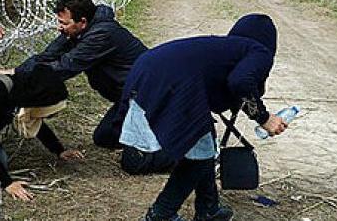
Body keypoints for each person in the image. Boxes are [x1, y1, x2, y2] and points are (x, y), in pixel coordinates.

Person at [117, 14, 288, 221]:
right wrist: (264, 118)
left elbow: (223, 90)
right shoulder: (259, 52)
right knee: (198, 155)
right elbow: (241, 82)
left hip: (146, 72)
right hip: (173, 85)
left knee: (203, 145)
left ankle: (209, 208)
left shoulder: (227, 49)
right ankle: (161, 213)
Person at [11, 0, 147, 148]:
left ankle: (161, 133)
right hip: (127, 97)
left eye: (64, 23)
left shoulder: (101, 35)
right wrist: (17, 72)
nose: (59, 27)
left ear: (82, 22)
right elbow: (48, 55)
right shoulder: (81, 30)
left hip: (143, 95)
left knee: (131, 155)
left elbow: (64, 67)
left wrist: (20, 79)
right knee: (105, 137)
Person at [0, 64, 84, 201]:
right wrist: (6, 182)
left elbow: (36, 122)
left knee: (0, 159)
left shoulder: (22, 91)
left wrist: (59, 150)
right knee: (0, 161)